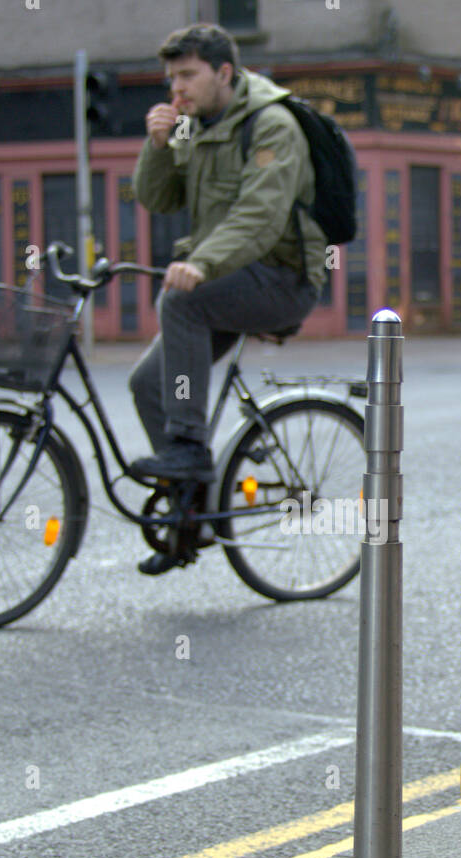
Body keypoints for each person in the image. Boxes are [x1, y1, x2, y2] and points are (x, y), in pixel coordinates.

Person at [127, 23, 327, 574]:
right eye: (171, 78)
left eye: (188, 75)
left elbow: (259, 216)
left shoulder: (271, 126)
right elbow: (157, 196)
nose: (178, 88)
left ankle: (189, 448)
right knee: (147, 383)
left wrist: (202, 264)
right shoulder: (195, 125)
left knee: (181, 301)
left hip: (281, 278)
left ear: (224, 73)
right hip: (230, 277)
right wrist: (159, 146)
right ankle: (193, 512)